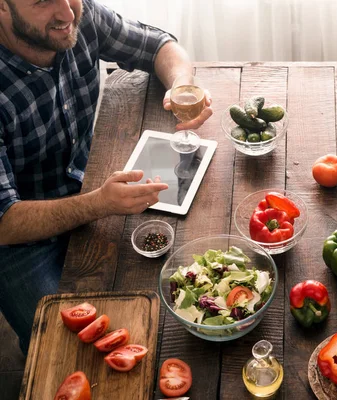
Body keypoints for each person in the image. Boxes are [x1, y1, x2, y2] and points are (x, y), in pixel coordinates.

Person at [0, 0, 213, 354]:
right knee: (65, 351)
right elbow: (3, 220)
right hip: (18, 242)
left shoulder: (78, 15)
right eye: (42, 2)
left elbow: (158, 45)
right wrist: (98, 203)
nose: (68, 14)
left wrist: (181, 87)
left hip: (94, 186)